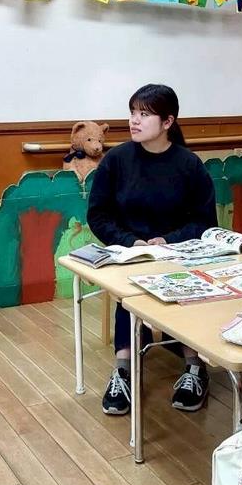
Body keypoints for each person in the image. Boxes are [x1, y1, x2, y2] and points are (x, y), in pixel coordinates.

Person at [87, 83, 218, 416]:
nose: (134, 120)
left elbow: (205, 221)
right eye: (133, 112)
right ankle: (123, 370)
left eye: (144, 114)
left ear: (167, 121)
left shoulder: (189, 165)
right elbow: (98, 215)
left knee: (184, 291)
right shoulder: (116, 160)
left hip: (178, 254)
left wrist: (167, 241)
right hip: (129, 253)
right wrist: (131, 242)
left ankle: (194, 367)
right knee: (128, 291)